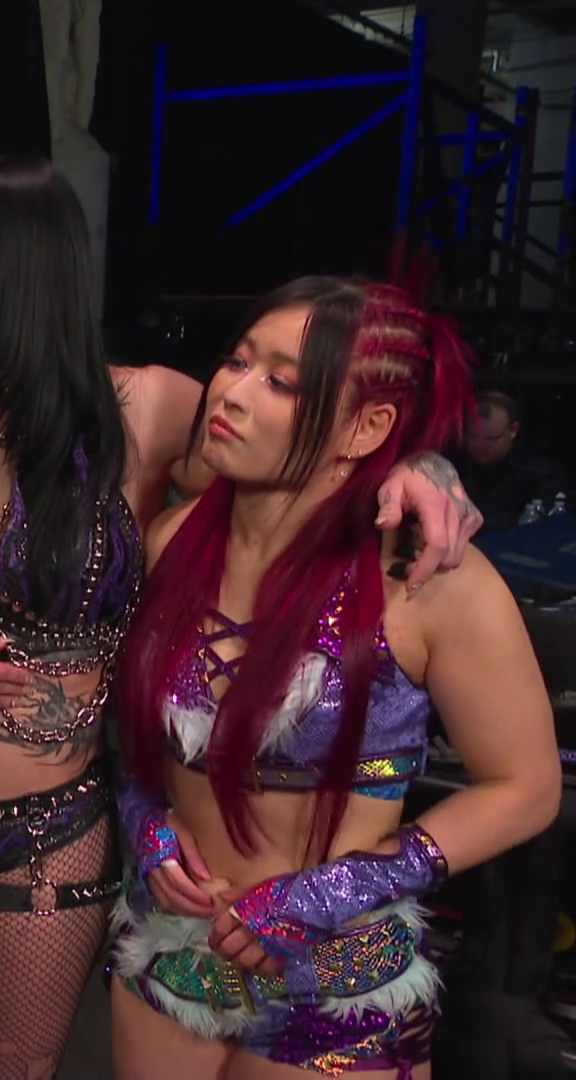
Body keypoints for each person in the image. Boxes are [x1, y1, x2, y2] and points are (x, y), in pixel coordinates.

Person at [0, 156, 482, 1079]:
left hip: (48, 837)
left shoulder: (149, 410)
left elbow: (305, 460)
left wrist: (419, 467)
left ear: (38, 263)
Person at [109, 276, 559, 1078]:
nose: (231, 392)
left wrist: (330, 894)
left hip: (340, 979)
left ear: (367, 427)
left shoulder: (428, 581)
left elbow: (526, 787)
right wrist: (149, 828)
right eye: (236, 361)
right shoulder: (173, 540)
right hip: (173, 957)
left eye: (281, 381)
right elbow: (142, 739)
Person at [454, 389, 566, 529]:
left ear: (513, 430)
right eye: (473, 436)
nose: (480, 446)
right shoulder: (454, 466)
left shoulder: (537, 474)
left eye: (491, 438)